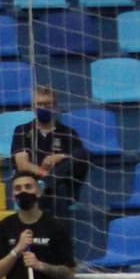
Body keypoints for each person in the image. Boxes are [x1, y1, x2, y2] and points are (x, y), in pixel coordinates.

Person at [9, 85, 91, 216]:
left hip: (64, 192)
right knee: (54, 186)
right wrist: (44, 173)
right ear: (33, 107)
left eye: (47, 104)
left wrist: (61, 156)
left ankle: (50, 184)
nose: (43, 108)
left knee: (82, 154)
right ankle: (48, 183)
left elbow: (80, 159)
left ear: (56, 107)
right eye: (39, 104)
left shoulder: (68, 133)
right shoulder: (22, 130)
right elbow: (22, 164)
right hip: (32, 189)